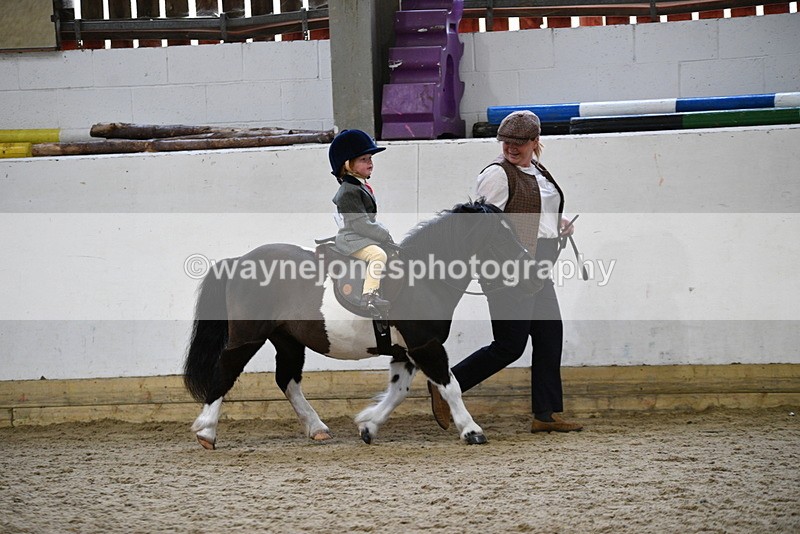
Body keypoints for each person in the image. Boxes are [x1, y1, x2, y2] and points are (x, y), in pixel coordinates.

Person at [429, 110, 583, 433]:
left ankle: (546, 414)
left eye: (519, 142)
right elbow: (484, 224)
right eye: (505, 142)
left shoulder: (537, 170)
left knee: (549, 334)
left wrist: (557, 223)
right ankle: (447, 384)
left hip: (537, 265)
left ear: (535, 141)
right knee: (509, 345)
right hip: (508, 268)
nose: (511, 148)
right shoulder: (498, 175)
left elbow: (533, 209)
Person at [328, 129, 393, 312]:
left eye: (370, 158)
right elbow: (361, 224)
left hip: (362, 236)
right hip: (352, 238)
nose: (370, 163)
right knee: (378, 256)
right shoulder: (348, 192)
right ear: (348, 165)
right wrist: (384, 234)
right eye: (363, 159)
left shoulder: (359, 186)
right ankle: (369, 296)